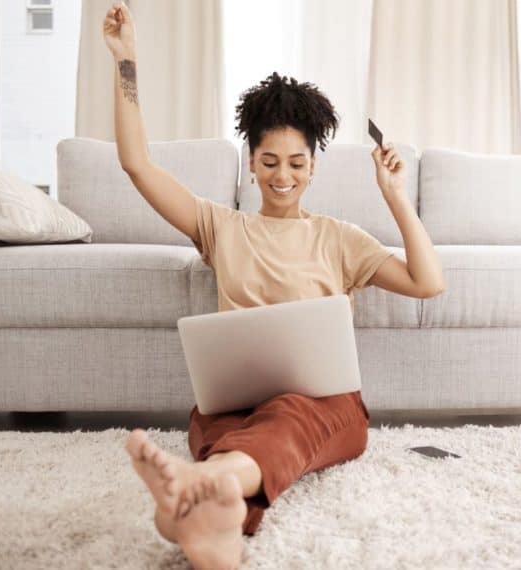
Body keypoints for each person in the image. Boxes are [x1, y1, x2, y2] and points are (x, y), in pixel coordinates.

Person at [102, 3, 445, 569]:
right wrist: (126, 62)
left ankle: (195, 491)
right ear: (252, 163)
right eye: (269, 162)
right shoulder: (221, 227)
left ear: (314, 166)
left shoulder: (340, 238)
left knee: (286, 420)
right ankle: (210, 517)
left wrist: (396, 198)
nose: (282, 177)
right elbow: (138, 165)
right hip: (230, 407)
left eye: (296, 164)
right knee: (226, 433)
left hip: (326, 408)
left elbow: (427, 283)